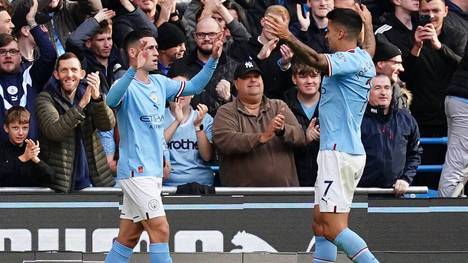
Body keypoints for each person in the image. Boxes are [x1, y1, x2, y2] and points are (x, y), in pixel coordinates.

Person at [265, 6, 378, 263]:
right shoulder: (362, 58)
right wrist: (368, 25)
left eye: (328, 31)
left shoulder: (345, 60)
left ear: (340, 32)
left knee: (333, 227)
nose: (326, 36)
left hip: (338, 153)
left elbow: (316, 61)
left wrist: (287, 35)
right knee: (320, 225)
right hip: (342, 151)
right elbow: (370, 48)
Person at [104, 29, 221, 263]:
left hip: (152, 173)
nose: (157, 53)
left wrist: (213, 61)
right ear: (134, 52)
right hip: (136, 172)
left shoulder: (159, 82)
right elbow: (110, 100)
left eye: (157, 48)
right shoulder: (125, 84)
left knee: (128, 237)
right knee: (161, 229)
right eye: (150, 48)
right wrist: (131, 70)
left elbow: (194, 87)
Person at [213, 59, 310, 187]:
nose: (253, 80)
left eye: (256, 76)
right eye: (246, 77)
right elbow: (225, 141)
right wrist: (262, 137)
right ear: (236, 84)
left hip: (284, 195)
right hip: (242, 198)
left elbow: (301, 137)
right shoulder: (226, 111)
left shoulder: (278, 106)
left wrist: (282, 130)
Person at [35, 52, 116, 192]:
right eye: (64, 70)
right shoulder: (45, 98)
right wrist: (82, 104)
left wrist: (97, 99)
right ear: (56, 74)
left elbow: (107, 125)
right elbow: (55, 132)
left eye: (74, 70)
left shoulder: (92, 95)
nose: (69, 75)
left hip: (93, 178)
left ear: (82, 74)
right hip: (60, 182)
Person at [0, 0, 56, 143]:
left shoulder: (30, 75)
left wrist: (32, 22)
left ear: (20, 56)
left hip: (31, 156)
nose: (8, 56)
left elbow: (49, 55)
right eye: (2, 52)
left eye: (13, 51)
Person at [358, 74, 422, 195]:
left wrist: (405, 179)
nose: (383, 92)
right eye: (377, 88)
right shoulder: (356, 120)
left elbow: (415, 153)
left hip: (396, 194)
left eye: (387, 88)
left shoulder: (406, 119)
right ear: (367, 91)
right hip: (361, 194)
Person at [169, 17, 238, 117]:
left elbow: (246, 106)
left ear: (221, 35)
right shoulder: (179, 66)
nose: (206, 39)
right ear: (194, 36)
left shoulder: (233, 67)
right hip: (187, 127)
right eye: (201, 35)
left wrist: (228, 98)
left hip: (222, 127)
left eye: (211, 34)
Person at [163, 76, 214, 186]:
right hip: (168, 185)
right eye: (175, 89)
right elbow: (155, 147)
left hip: (201, 183)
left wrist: (198, 126)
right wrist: (177, 121)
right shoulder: (158, 116)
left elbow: (207, 156)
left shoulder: (205, 118)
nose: (179, 93)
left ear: (192, 93)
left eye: (184, 89)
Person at [283, 61, 321, 186]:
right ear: (294, 79)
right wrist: (305, 138)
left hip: (325, 178)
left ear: (320, 78)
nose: (309, 81)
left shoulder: (332, 104)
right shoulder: (283, 106)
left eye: (314, 76)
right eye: (303, 76)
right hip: (293, 178)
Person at [438, 42, 468, 197]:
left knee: (458, 163)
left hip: (457, 99)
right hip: (464, 102)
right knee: (457, 164)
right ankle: (446, 213)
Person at [0, 106, 54, 187]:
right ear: (6, 128)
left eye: (25, 128)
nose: (21, 133)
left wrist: (36, 160)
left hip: (31, 198)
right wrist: (23, 158)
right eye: (15, 128)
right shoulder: (2, 150)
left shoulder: (33, 149)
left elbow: (51, 177)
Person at [373, 35, 410, 109]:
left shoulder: (400, 97)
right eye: (397, 63)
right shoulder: (361, 93)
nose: (402, 69)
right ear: (380, 64)